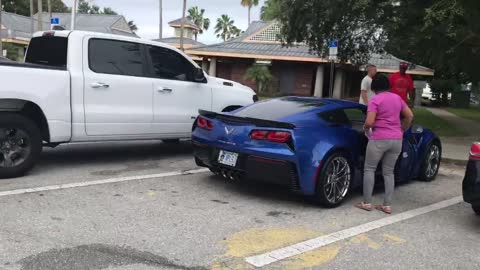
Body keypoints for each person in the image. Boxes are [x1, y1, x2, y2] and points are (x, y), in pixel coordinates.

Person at [355, 74, 414, 214]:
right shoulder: (397, 98)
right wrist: (401, 129)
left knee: (369, 169)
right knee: (389, 172)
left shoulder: (375, 99)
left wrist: (365, 129)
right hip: (396, 140)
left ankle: (367, 202)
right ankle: (387, 205)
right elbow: (410, 115)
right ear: (388, 86)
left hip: (379, 138)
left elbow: (369, 122)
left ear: (374, 87)